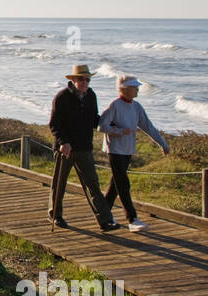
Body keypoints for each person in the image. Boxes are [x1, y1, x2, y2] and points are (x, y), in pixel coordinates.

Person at [48, 64, 120, 232]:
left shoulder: (91, 96)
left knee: (93, 185)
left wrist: (111, 125)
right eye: (81, 79)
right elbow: (54, 124)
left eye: (87, 79)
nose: (85, 82)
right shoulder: (62, 97)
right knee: (59, 183)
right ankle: (55, 215)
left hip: (84, 148)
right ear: (73, 80)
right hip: (65, 148)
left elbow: (94, 119)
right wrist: (63, 142)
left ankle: (105, 220)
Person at [99, 75, 170, 232]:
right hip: (115, 150)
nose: (137, 89)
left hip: (128, 150)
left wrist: (162, 143)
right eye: (134, 87)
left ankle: (102, 214)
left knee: (115, 185)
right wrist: (118, 131)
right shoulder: (114, 105)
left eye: (137, 87)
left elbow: (148, 127)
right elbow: (101, 126)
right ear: (124, 89)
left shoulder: (136, 107)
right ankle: (132, 219)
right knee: (123, 183)